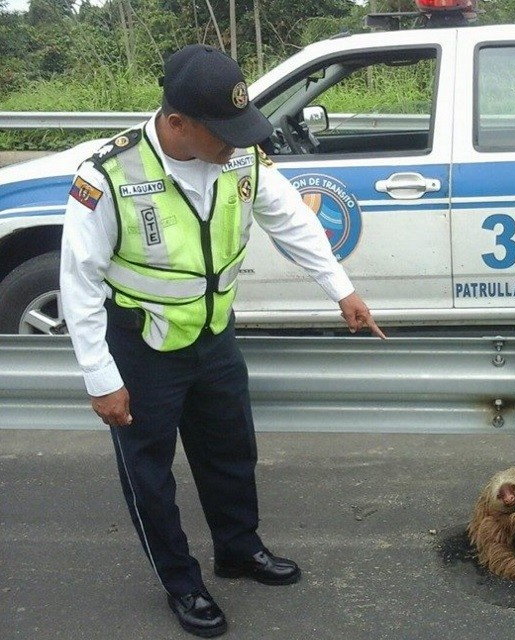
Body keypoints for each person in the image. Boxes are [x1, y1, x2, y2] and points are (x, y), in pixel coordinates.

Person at [60, 43, 385, 637]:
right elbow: (77, 283)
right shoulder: (109, 175)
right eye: (223, 133)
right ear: (177, 122)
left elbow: (291, 217)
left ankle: (238, 549)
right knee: (150, 476)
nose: (234, 145)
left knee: (231, 452)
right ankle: (181, 582)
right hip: (143, 349)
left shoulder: (240, 158)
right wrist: (101, 378)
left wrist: (341, 289)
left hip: (213, 336)